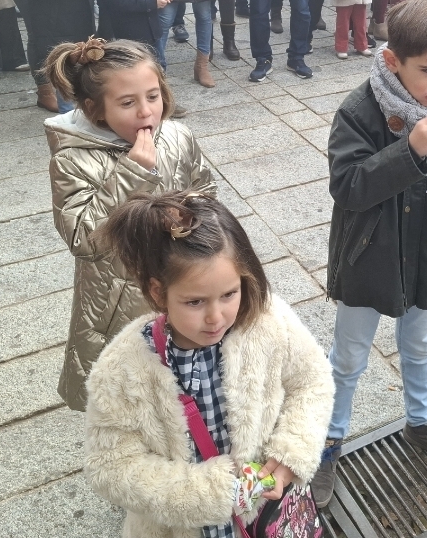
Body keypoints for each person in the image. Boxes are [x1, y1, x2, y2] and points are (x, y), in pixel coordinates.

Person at [312, 0, 427, 507]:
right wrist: (409, 151)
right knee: (348, 356)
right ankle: (327, 440)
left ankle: (423, 421)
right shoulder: (360, 109)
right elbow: (347, 186)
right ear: (393, 62)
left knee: (420, 345)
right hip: (369, 254)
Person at [84, 190, 332, 538]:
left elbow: (312, 380)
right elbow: (110, 466)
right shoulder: (123, 367)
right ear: (158, 293)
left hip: (265, 517)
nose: (216, 317)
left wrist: (292, 451)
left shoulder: (268, 321)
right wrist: (209, 492)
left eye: (229, 294)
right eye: (195, 301)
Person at [43, 39, 215, 411]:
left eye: (152, 96)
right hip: (120, 296)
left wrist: (190, 217)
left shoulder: (177, 136)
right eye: (127, 103)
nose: (145, 112)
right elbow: (82, 238)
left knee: (187, 373)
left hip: (182, 278)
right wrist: (133, 173)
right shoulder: (72, 160)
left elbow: (205, 189)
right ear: (95, 109)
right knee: (129, 388)